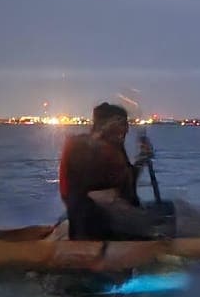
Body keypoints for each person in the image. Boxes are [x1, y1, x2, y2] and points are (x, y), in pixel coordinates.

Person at [58, 102, 158, 240]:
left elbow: (125, 184)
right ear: (105, 125)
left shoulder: (113, 148)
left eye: (126, 124)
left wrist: (142, 159)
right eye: (121, 123)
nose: (127, 130)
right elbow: (94, 193)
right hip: (95, 225)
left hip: (111, 217)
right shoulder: (83, 147)